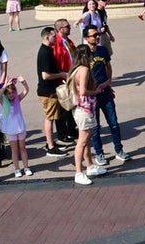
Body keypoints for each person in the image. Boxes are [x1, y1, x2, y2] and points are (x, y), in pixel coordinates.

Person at [83, 25, 130, 167]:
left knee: (114, 123)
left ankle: (119, 150)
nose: (97, 37)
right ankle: (99, 153)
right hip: (92, 96)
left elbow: (108, 67)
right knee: (95, 126)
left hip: (106, 93)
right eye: (94, 35)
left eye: (97, 34)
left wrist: (108, 81)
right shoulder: (83, 53)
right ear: (86, 38)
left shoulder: (103, 50)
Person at [35, 26, 69, 157]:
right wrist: (61, 74)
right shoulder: (45, 52)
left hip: (49, 90)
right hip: (47, 91)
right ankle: (50, 147)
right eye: (54, 36)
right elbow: (45, 75)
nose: (56, 38)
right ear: (46, 37)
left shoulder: (47, 50)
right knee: (49, 118)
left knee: (52, 117)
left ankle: (51, 143)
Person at [70, 44, 100, 185]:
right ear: (86, 56)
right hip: (85, 109)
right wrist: (95, 92)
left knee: (86, 140)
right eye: (90, 55)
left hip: (80, 109)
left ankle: (90, 166)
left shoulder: (74, 69)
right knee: (82, 142)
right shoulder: (84, 70)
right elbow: (83, 91)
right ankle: (78, 172)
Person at [0, 76, 32, 177]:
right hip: (10, 130)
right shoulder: (3, 102)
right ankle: (17, 169)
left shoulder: (17, 99)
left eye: (13, 92)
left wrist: (24, 82)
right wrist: (4, 86)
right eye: (9, 93)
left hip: (20, 128)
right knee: (14, 150)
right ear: (6, 94)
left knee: (23, 148)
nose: (11, 95)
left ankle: (26, 167)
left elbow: (26, 91)